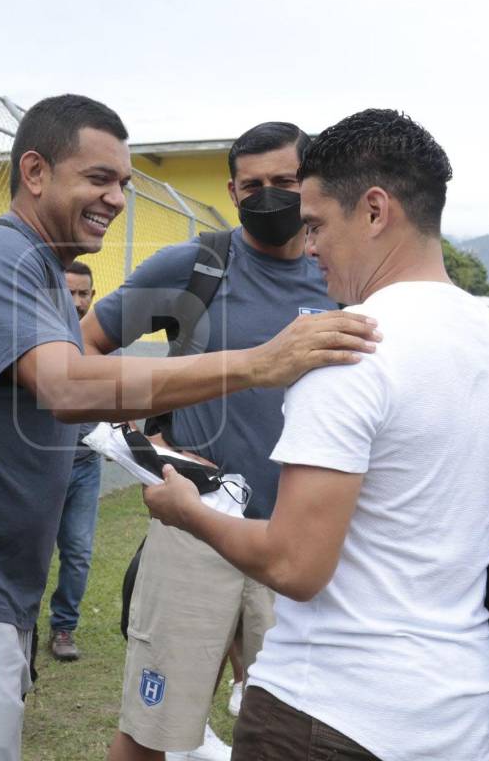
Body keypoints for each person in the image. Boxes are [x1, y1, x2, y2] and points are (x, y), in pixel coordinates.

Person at [0, 93, 380, 760]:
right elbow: (69, 382)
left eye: (123, 183)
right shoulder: (0, 258)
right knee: (155, 725)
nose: (117, 199)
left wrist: (128, 433)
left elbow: (73, 376)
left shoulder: (38, 267)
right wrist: (254, 366)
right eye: (99, 178)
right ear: (35, 172)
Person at [143, 109, 489, 761]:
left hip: (328, 709)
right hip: (461, 711)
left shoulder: (343, 349)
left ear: (375, 211)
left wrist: (188, 511)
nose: (309, 245)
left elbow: (294, 565)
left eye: (318, 224)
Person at [90, 122, 333, 761]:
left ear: (312, 183)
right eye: (252, 185)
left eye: (285, 181)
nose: (269, 196)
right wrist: (142, 447)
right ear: (232, 192)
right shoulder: (196, 267)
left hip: (302, 541)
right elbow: (83, 349)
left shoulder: (342, 276)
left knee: (291, 739)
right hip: (197, 525)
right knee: (150, 732)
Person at [45, 259, 103, 661]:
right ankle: (17, 624)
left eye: (84, 293)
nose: (77, 302)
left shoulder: (101, 342)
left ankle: (64, 627)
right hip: (40, 466)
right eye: (69, 293)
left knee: (78, 552)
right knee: (26, 550)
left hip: (85, 466)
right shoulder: (37, 337)